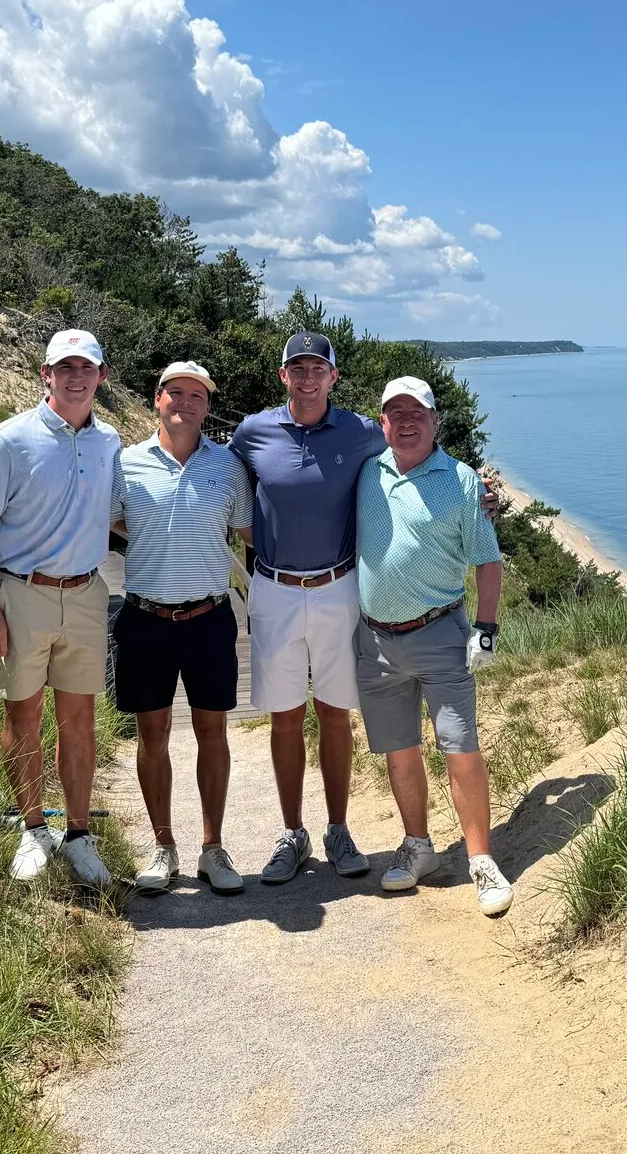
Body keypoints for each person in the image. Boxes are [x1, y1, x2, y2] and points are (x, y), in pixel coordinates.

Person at [0, 328, 119, 890]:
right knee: (22, 716)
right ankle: (34, 829)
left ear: (102, 377)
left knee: (79, 718)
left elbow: (116, 514)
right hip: (21, 593)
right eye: (65, 368)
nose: (76, 378)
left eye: (87, 368)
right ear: (45, 376)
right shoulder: (9, 440)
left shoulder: (108, 443)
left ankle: (79, 835)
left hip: (85, 593)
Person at [353, 376, 513, 917]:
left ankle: (481, 859)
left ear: (435, 419)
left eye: (416, 412)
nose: (406, 421)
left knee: (459, 746)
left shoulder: (463, 481)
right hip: (374, 639)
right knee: (400, 750)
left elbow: (488, 562)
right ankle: (418, 847)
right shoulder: (366, 473)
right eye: (394, 413)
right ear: (382, 423)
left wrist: (485, 630)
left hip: (440, 633)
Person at [228, 332, 381, 883]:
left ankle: (338, 829)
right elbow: (219, 479)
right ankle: (293, 833)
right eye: (299, 368)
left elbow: (412, 462)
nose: (309, 378)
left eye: (319, 368)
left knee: (336, 713)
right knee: (286, 715)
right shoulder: (253, 431)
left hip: (340, 587)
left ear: (334, 377)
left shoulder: (362, 432)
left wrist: (472, 488)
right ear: (283, 376)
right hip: (272, 588)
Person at [111, 360, 252, 895]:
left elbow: (246, 529)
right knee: (153, 735)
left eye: (197, 396)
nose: (185, 403)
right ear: (157, 399)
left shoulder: (227, 465)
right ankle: (164, 846)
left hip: (209, 617)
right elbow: (112, 519)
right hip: (146, 618)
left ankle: (212, 849)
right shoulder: (127, 463)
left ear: (207, 407)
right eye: (176, 393)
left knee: (213, 733)